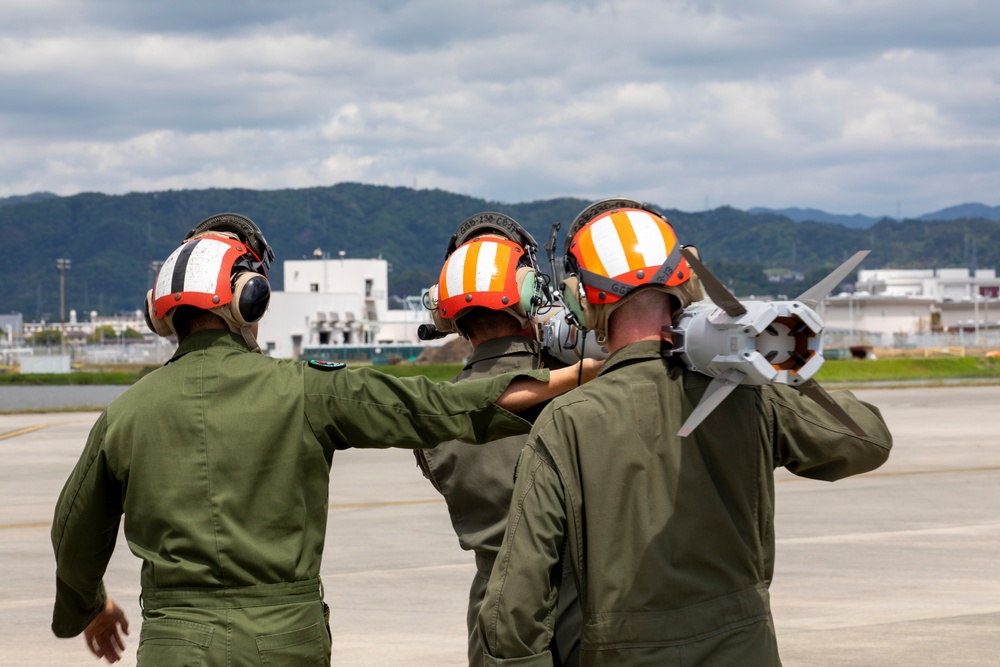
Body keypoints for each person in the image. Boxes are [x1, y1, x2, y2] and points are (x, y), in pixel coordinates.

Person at [50, 213, 600, 666]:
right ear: (249, 301)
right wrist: (573, 375)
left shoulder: (124, 415)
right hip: (284, 641)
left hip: (174, 644)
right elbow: (439, 406)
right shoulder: (305, 390)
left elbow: (72, 533)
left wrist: (91, 605)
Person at [478, 198, 893, 666]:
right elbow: (868, 441)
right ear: (687, 282)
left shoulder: (568, 420)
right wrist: (768, 364)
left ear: (582, 297)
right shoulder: (747, 395)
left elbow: (516, 602)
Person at [416, 212, 582, 666]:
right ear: (531, 297)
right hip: (583, 606)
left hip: (494, 615)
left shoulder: (434, 416)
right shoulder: (579, 390)